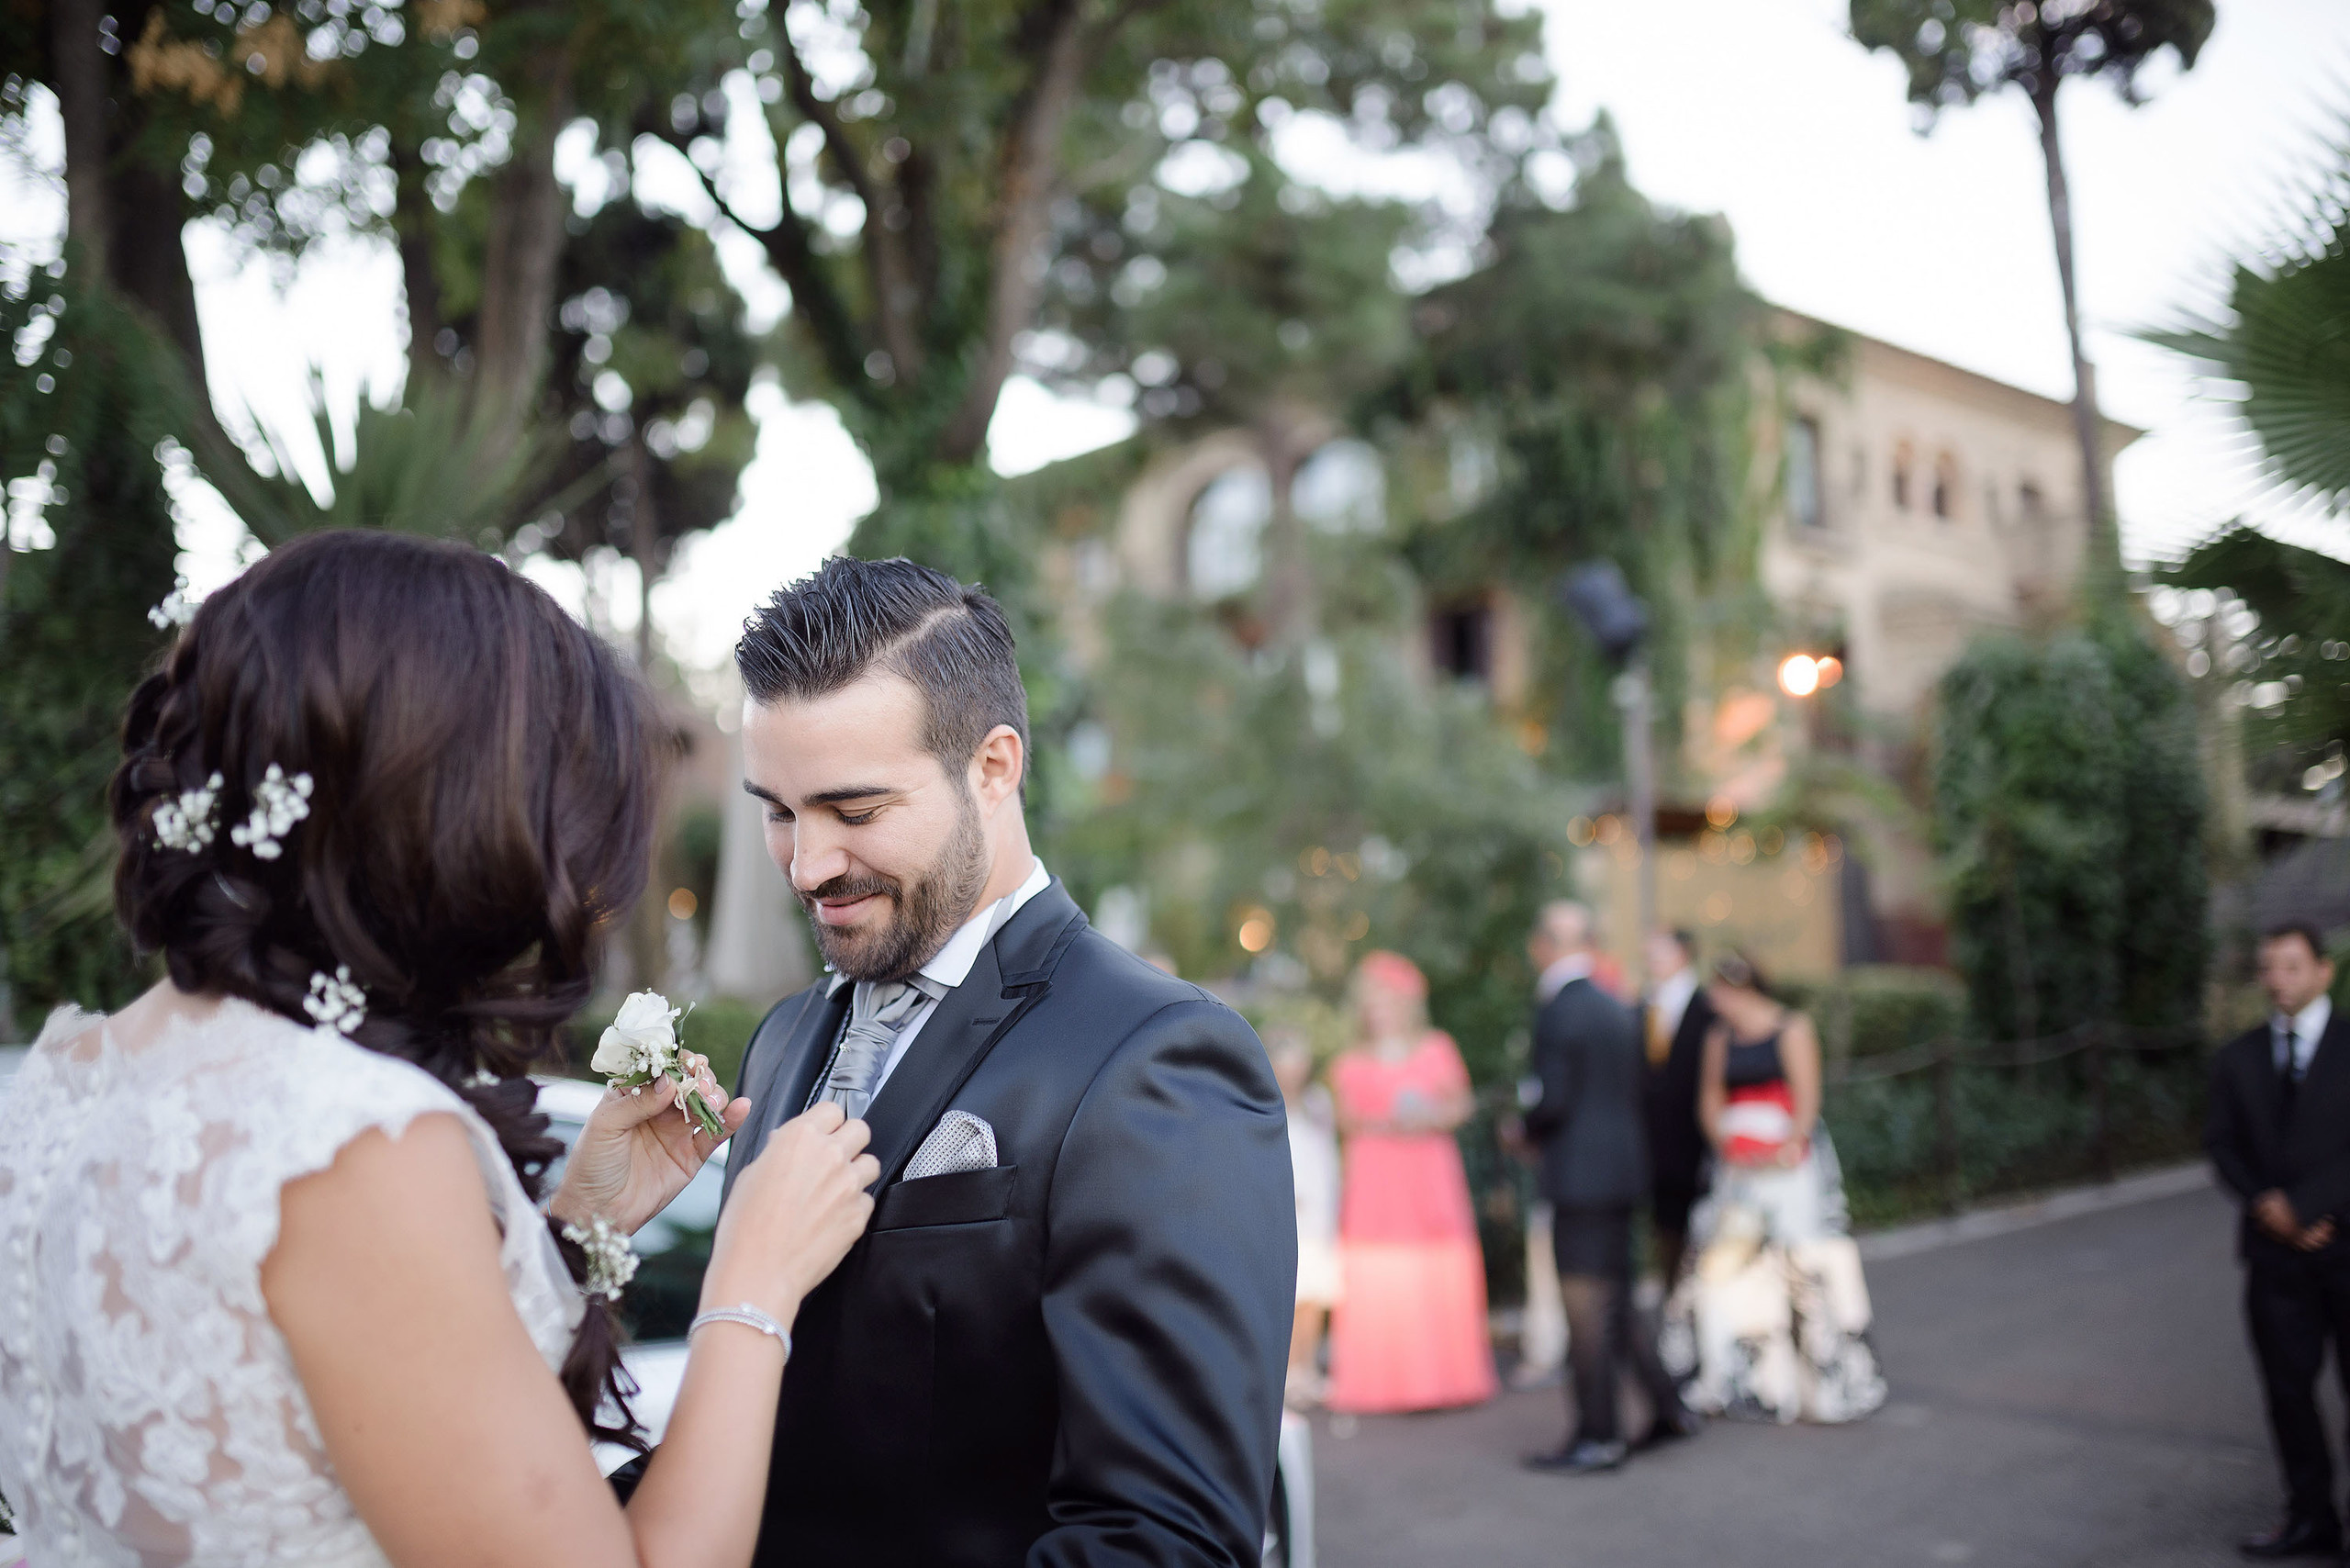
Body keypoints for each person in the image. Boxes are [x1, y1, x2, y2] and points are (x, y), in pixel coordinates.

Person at [0, 531, 880, 1568]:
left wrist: (580, 1221)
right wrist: (752, 1278)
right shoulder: (349, 1143)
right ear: (457, 819)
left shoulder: (67, 1083)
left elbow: (351, 1416)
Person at [720, 557, 1294, 1567]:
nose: (808, 866)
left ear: (993, 767)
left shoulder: (1157, 1058)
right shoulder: (778, 1041)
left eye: (854, 812)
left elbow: (1164, 1543)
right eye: (778, 810)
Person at [1519, 902, 1699, 1475]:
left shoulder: (1558, 1008)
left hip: (1579, 1180)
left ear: (1544, 945)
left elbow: (1552, 1099)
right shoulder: (1618, 1006)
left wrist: (1519, 1129)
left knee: (1588, 1312)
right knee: (1618, 1299)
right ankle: (1669, 1408)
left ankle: (1599, 1435)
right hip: (1625, 1174)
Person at [1684, 949, 1884, 1424]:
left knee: (1801, 1265)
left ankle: (1821, 1377)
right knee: (1730, 1267)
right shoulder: (1719, 1037)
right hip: (1739, 1169)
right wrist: (1726, 1143)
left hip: (1786, 1168)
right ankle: (1751, 1377)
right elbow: (1710, 1099)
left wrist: (1784, 1147)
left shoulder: (1791, 1028)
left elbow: (1806, 1098)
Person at [2209, 921, 2350, 1562]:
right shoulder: (2237, 1057)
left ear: (2324, 970)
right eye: (2268, 967)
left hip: (2346, 1247)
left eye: (2292, 966)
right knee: (2288, 1396)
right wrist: (2272, 1208)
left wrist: (2315, 1210)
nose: (2278, 979)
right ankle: (2309, 1516)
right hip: (2273, 1255)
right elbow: (2222, 1146)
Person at [1325, 951, 1498, 1414]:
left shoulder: (1436, 1048)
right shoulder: (1349, 1061)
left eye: (1388, 999)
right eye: (1372, 1000)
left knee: (1435, 1264)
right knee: (1382, 1273)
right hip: (1377, 1176)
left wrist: (1429, 1116)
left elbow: (1462, 1106)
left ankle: (1445, 1378)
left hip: (1428, 1169)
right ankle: (1384, 1382)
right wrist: (1384, 1123)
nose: (1379, 1009)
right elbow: (1345, 1119)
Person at [1270, 1030, 1344, 1410]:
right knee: (1291, 1293)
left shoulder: (1318, 1103)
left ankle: (1308, 1367)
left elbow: (1328, 1153)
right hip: (1286, 1208)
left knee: (1316, 1295)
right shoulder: (1266, 1100)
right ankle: (1286, 1373)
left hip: (1318, 1206)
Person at [1643, 927, 1716, 1294]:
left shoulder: (1707, 1008)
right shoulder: (1644, 1006)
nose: (1650, 956)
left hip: (1698, 1145)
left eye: (1660, 949)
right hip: (1658, 1152)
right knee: (1667, 1239)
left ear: (1683, 953)